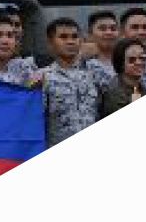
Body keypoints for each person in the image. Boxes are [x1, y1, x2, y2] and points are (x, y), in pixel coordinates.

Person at [37, 18, 100, 146]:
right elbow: (35, 120)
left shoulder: (93, 73)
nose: (70, 41)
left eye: (75, 37)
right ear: (51, 43)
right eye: (63, 37)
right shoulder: (42, 77)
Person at [98, 37, 146, 119]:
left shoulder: (143, 88)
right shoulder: (111, 93)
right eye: (132, 60)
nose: (139, 63)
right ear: (121, 62)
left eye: (142, 58)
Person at [79, 10, 120, 86]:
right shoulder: (81, 64)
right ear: (90, 34)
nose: (109, 32)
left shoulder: (129, 61)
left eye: (113, 29)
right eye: (102, 29)